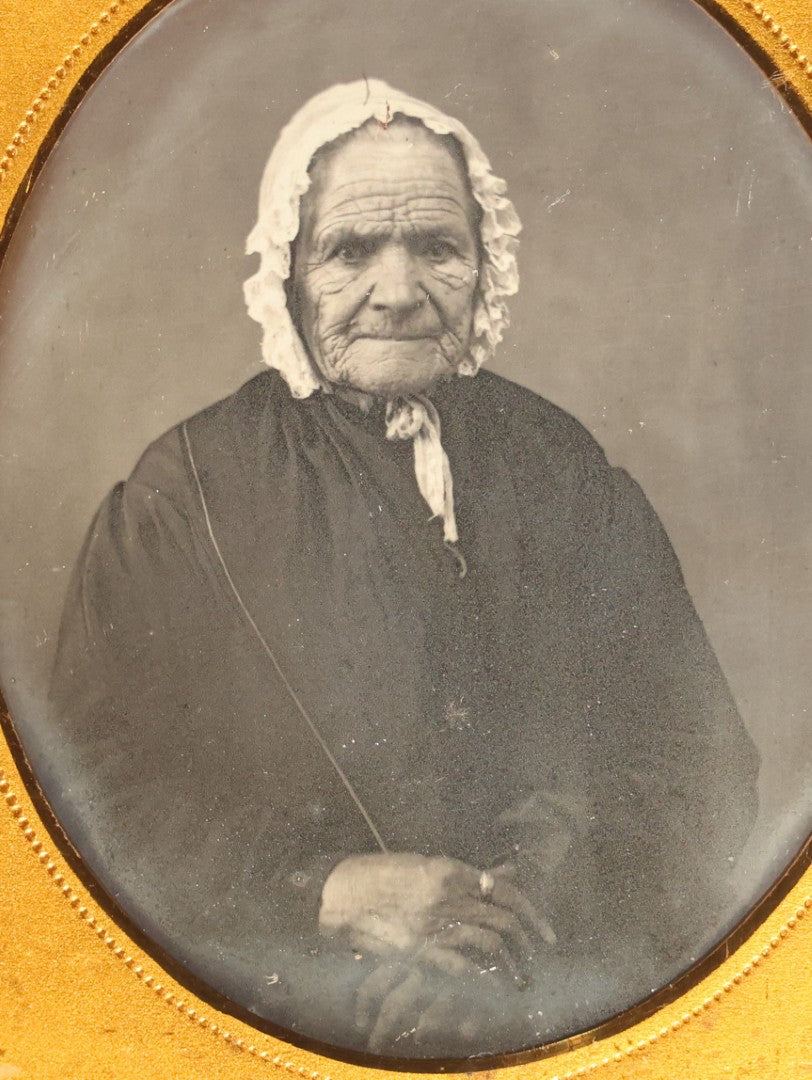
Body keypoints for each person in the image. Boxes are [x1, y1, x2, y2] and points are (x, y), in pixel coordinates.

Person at [46, 80, 759, 1060]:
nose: (397, 290)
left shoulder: (561, 465)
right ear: (286, 270)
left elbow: (698, 764)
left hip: (546, 1012)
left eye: (435, 246)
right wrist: (334, 896)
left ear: (484, 262)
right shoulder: (182, 498)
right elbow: (90, 804)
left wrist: (516, 929)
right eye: (348, 251)